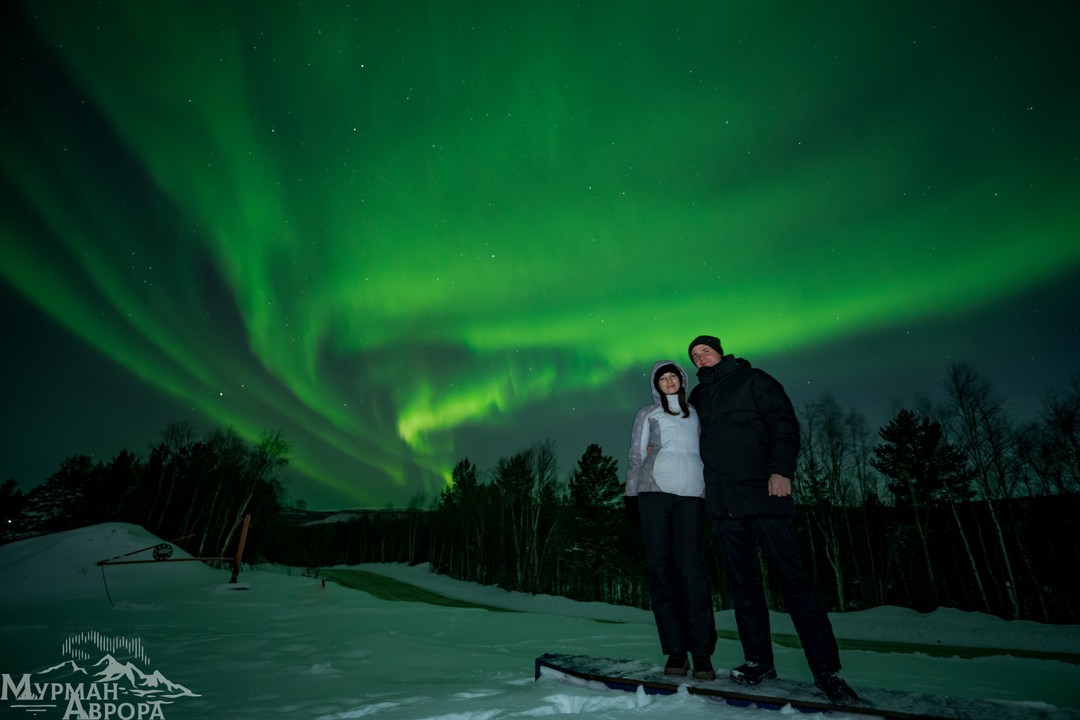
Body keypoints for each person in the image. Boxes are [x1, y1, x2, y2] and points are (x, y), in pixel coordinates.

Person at [686, 335, 858, 703]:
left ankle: (827, 671)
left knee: (795, 582)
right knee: (743, 587)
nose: (701, 359)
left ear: (720, 352)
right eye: (695, 356)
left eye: (706, 352)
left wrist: (781, 470)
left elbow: (784, 423)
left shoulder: (755, 380)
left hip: (764, 495)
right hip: (724, 505)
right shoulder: (697, 398)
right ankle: (758, 661)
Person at [625, 360, 718, 681]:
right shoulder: (646, 414)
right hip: (654, 496)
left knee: (693, 572)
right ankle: (677, 651)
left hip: (692, 498)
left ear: (682, 380)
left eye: (673, 376)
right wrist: (631, 497)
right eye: (662, 378)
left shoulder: (697, 413)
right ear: (656, 384)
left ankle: (702, 654)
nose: (668, 381)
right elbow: (636, 457)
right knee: (661, 571)